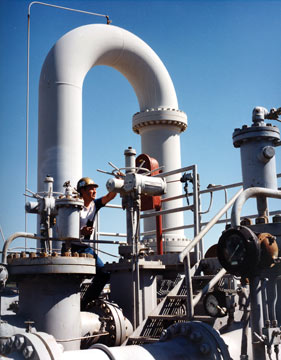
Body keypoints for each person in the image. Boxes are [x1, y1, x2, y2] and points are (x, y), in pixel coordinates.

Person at [75, 176, 117, 309]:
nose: (94, 191)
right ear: (82, 191)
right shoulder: (74, 206)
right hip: (72, 249)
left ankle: (85, 303)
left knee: (104, 274)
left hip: (86, 249)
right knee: (72, 278)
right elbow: (62, 229)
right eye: (91, 189)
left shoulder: (94, 205)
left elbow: (110, 196)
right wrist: (81, 232)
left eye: (95, 189)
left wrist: (117, 182)